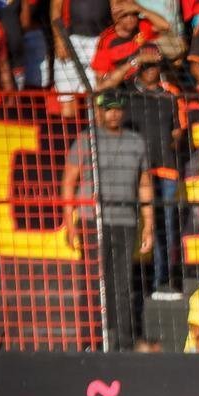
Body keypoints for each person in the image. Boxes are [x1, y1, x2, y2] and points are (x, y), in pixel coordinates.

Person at [62, 92, 154, 352]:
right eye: (108, 109)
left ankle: (122, 341)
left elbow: (144, 184)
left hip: (126, 220)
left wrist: (149, 224)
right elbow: (69, 181)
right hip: (94, 220)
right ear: (99, 111)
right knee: (93, 281)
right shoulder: (86, 140)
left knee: (122, 283)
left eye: (118, 109)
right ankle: (89, 342)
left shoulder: (136, 142)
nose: (114, 114)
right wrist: (70, 223)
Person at [122, 45, 186, 299]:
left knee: (165, 227)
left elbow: (178, 131)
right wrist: (134, 59)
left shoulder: (170, 94)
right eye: (146, 65)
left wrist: (167, 145)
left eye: (155, 65)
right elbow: (104, 86)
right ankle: (129, 284)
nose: (151, 71)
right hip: (133, 170)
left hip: (165, 169)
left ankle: (163, 281)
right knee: (128, 224)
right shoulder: (126, 92)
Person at [51, 0, 113, 116]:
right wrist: (59, 40)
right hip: (69, 39)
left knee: (97, 94)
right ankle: (71, 133)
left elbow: (116, 6)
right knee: (67, 96)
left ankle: (97, 132)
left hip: (100, 39)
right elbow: (55, 10)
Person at [90, 1, 168, 90]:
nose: (130, 19)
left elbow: (165, 26)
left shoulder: (142, 25)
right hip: (121, 86)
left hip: (146, 81)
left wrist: (140, 8)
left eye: (134, 14)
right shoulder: (106, 40)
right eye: (125, 15)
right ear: (116, 17)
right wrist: (137, 60)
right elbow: (101, 84)